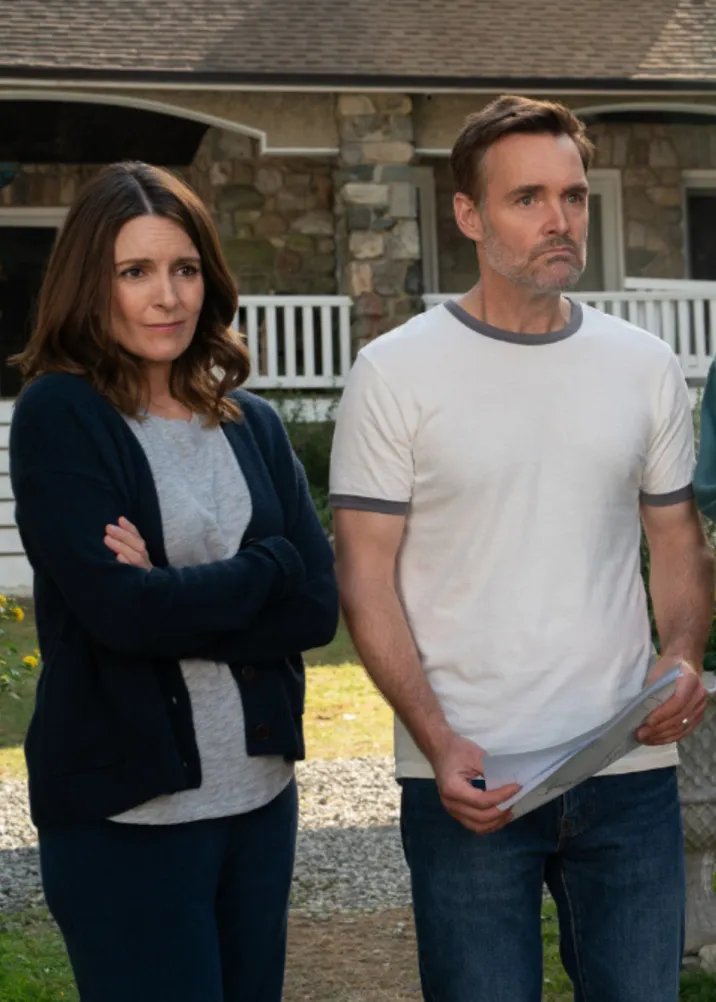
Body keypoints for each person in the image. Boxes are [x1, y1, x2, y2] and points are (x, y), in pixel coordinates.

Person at [329, 96, 714, 1002]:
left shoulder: (642, 364)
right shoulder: (396, 372)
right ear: (469, 215)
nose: (560, 220)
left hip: (626, 764)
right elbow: (364, 574)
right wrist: (437, 740)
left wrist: (684, 652)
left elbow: (674, 536)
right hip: (472, 776)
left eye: (573, 197)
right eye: (528, 198)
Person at [10, 161, 338, 1002]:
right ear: (92, 284)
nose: (168, 297)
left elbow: (315, 608)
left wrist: (172, 592)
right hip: (127, 818)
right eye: (136, 271)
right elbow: (121, 616)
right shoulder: (61, 415)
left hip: (259, 801)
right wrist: (266, 566)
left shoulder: (251, 422)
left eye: (185, 269)